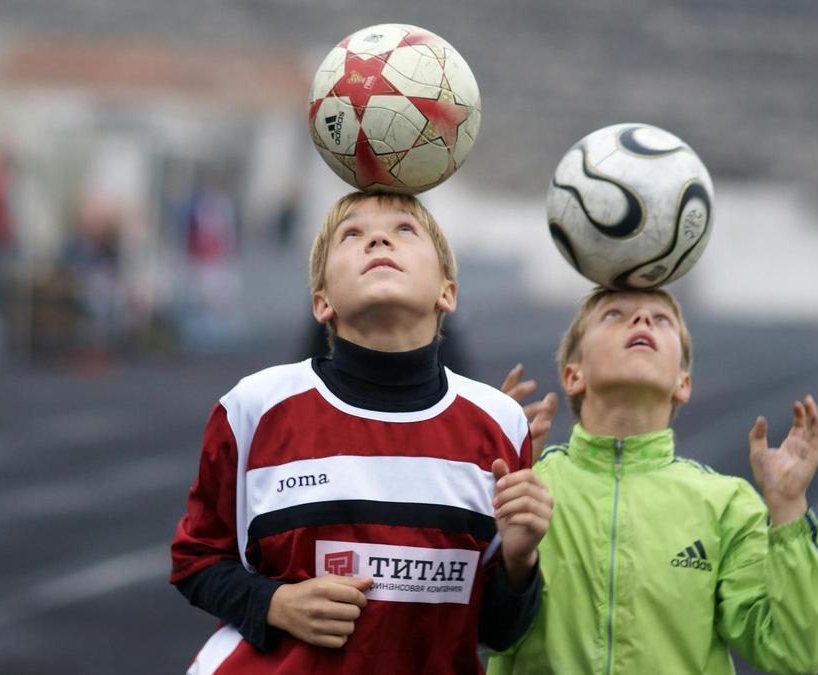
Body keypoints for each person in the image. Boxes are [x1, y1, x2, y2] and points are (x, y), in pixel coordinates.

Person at [170, 191, 556, 673]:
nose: (377, 238)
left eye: (405, 231)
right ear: (322, 301)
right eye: (351, 234)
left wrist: (520, 563)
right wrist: (275, 604)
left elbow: (494, 632)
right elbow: (195, 559)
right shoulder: (255, 407)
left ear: (447, 293)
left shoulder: (499, 424)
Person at [488, 287, 818, 675]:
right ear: (573, 375)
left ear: (683, 383)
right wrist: (477, 466)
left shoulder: (725, 505)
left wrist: (789, 507)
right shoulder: (523, 487)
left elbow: (794, 652)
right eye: (614, 314)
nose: (642, 320)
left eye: (661, 319)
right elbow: (453, 615)